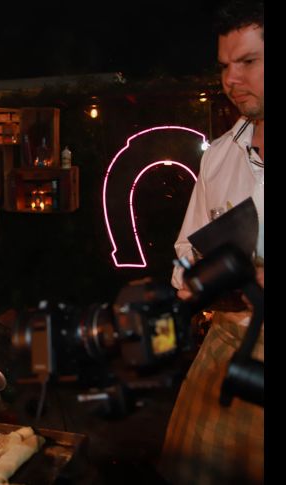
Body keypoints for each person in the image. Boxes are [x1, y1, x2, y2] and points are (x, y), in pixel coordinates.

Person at [159, 2, 264, 483]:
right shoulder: (220, 156)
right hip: (225, 345)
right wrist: (191, 278)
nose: (231, 79)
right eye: (225, 65)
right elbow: (186, 245)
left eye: (248, 62)